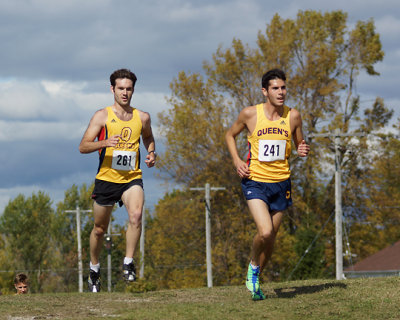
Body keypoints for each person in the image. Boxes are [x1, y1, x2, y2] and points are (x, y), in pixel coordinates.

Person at [225, 68, 310, 300]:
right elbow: (229, 135)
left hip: (282, 183)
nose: (281, 92)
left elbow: (300, 142)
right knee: (265, 231)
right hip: (255, 181)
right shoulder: (250, 114)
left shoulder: (293, 116)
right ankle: (253, 267)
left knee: (270, 240)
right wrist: (236, 160)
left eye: (283, 88)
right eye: (275, 88)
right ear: (265, 91)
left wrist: (303, 148)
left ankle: (256, 283)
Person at [79, 68, 156, 292]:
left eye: (129, 89)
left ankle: (128, 263)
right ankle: (94, 268)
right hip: (106, 179)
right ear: (112, 89)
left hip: (132, 178)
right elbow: (83, 146)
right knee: (100, 229)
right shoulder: (102, 116)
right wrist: (104, 143)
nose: (125, 93)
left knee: (136, 215)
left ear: (133, 90)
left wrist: (151, 152)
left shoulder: (142, 117)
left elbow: (149, 137)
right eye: (120, 88)